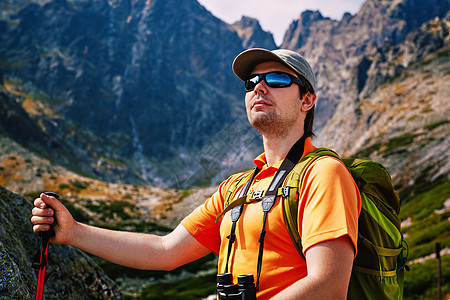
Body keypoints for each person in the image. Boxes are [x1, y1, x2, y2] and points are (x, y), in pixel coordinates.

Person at [31, 48, 361, 299]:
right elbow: (164, 251)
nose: (260, 88)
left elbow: (329, 286)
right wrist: (73, 232)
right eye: (252, 82)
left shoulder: (323, 173)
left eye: (276, 79)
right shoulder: (237, 187)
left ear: (307, 100)